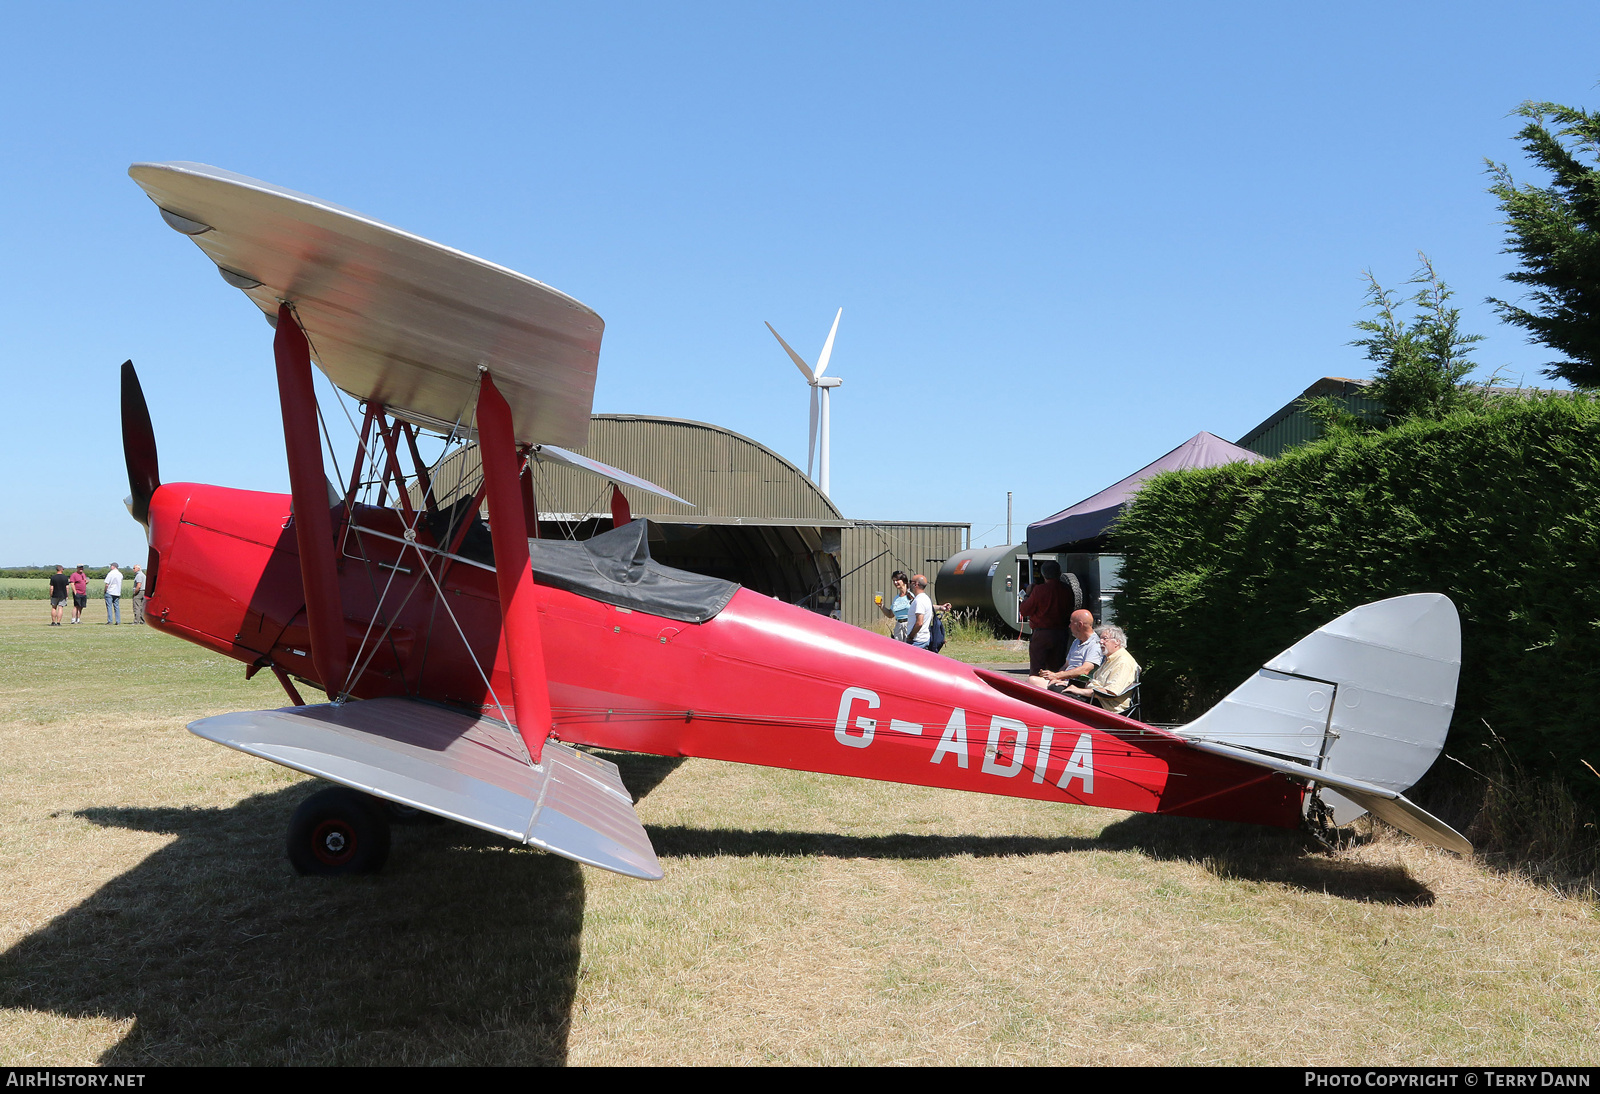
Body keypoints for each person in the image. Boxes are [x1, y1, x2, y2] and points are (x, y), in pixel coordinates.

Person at [1057, 625, 1140, 715]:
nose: (1100, 642)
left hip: (1106, 706)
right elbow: (1096, 684)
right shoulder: (1110, 659)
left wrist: (1078, 690)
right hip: (1096, 698)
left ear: (1117, 642)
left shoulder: (1123, 662)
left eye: (1105, 639)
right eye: (1100, 639)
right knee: (1056, 688)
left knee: (1062, 698)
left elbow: (1109, 693)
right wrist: (1068, 684)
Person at [1018, 560, 1073, 674]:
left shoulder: (1039, 590)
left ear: (1043, 574)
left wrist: (1028, 595)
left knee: (1037, 669)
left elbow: (1024, 610)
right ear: (1059, 573)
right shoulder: (1067, 590)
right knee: (1057, 669)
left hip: (1042, 633)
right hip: (1061, 633)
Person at [1029, 609, 1101, 688]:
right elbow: (1066, 666)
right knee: (1033, 680)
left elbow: (1085, 670)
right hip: (1065, 681)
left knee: (1032, 681)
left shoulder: (1095, 644)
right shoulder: (1076, 641)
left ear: (1080, 625)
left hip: (1077, 685)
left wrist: (1057, 676)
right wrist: (1054, 676)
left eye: (1071, 622)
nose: (1069, 626)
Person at [876, 570, 912, 641]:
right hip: (898, 627)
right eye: (893, 580)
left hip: (909, 625)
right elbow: (890, 614)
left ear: (904, 580)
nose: (895, 582)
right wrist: (881, 605)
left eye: (897, 580)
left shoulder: (912, 594)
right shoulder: (896, 598)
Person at [905, 574, 934, 648]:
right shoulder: (925, 598)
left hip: (917, 640)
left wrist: (910, 636)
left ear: (916, 584)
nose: (909, 584)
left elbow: (919, 623)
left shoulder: (919, 601)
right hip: (923, 639)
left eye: (911, 582)